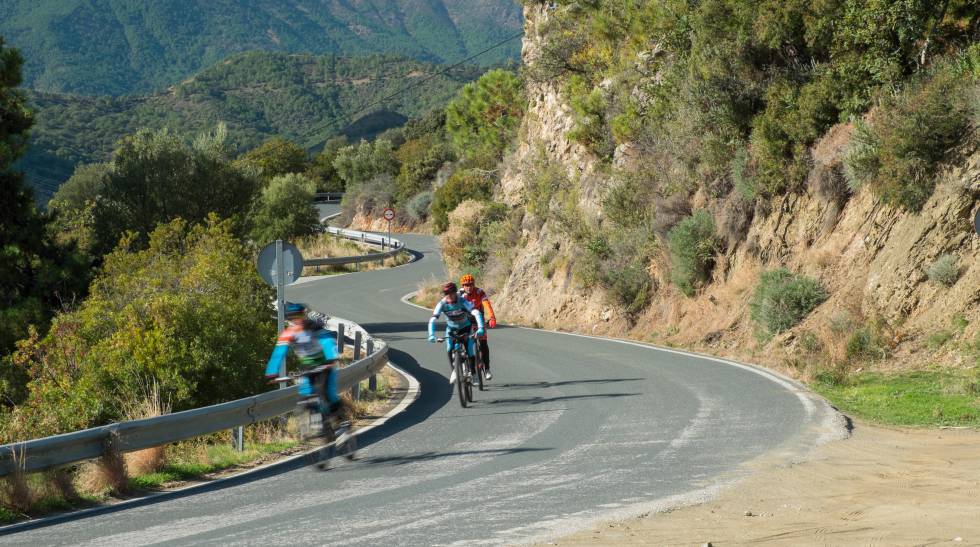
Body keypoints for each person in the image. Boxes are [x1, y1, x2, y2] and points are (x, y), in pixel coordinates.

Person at [265, 302, 341, 432]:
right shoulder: (288, 333)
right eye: (293, 317)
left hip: (324, 364)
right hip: (307, 366)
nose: (296, 319)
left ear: (304, 315)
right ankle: (317, 422)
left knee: (327, 393)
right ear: (289, 318)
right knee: (306, 392)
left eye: (299, 315)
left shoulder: (314, 327)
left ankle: (342, 422)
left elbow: (327, 342)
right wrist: (272, 372)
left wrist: (331, 358)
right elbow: (279, 352)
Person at [428, 281, 485, 384]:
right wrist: (431, 335)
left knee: (470, 350)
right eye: (446, 293)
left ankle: (473, 374)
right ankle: (454, 371)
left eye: (452, 293)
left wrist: (480, 328)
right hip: (451, 330)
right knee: (449, 348)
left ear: (455, 292)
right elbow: (432, 319)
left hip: (466, 328)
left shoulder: (462, 301)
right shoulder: (442, 304)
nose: (449, 295)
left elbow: (475, 312)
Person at [458, 274, 497, 380]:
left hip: (478, 320)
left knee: (483, 343)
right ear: (463, 286)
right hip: (465, 321)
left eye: (471, 284)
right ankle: (462, 363)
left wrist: (492, 317)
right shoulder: (459, 294)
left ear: (474, 284)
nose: (469, 287)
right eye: (466, 285)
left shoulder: (480, 292)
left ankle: (487, 370)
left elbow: (487, 305)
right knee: (461, 341)